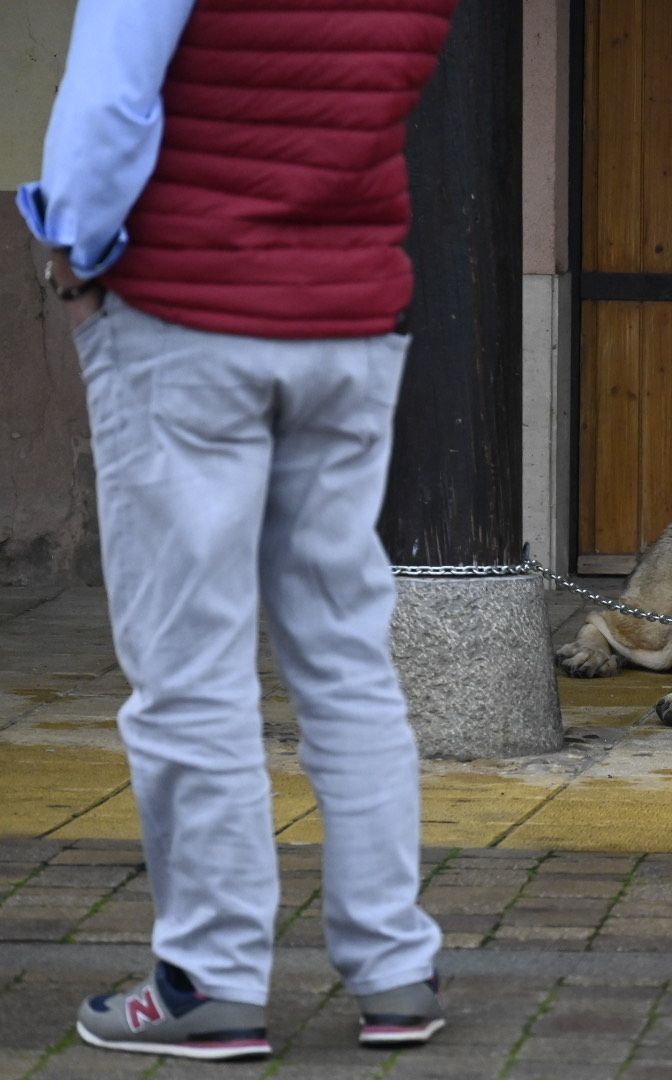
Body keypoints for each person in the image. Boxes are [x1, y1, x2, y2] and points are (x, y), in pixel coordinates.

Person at [18, 0, 459, 1061]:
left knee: (190, 669)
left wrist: (73, 253)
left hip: (187, 316)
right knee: (347, 656)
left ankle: (209, 979)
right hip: (348, 324)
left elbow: (111, 102)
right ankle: (395, 966)